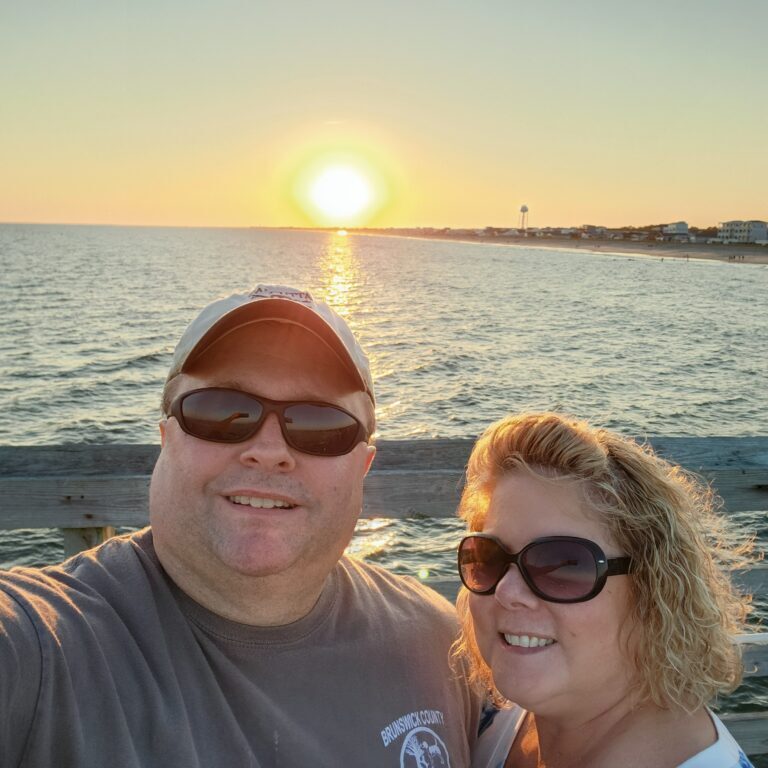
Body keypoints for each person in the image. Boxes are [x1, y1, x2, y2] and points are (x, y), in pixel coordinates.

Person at [0, 284, 480, 767]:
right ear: (166, 437)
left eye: (320, 424)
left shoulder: (441, 645)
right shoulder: (42, 650)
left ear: (363, 465)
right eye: (221, 411)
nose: (269, 451)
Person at [454, 412, 753, 768]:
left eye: (565, 564)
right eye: (488, 556)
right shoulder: (510, 718)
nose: (507, 591)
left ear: (652, 591)